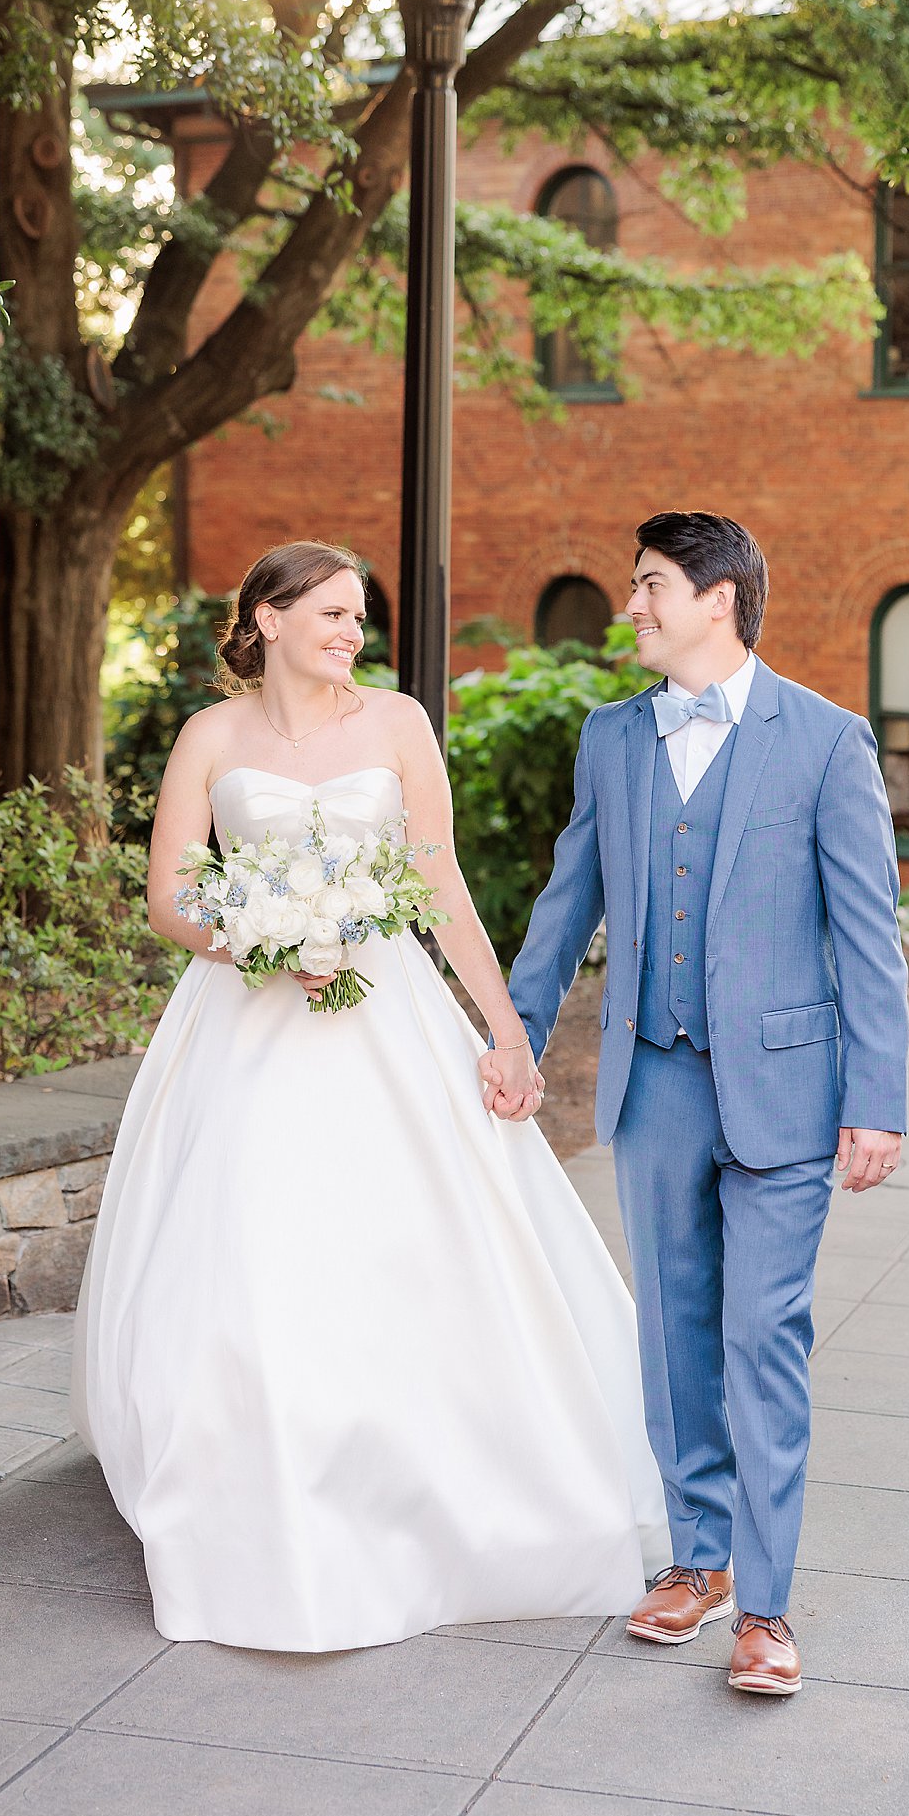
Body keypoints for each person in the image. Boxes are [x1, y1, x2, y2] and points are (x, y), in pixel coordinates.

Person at [72, 538, 669, 1651]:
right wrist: (253, 941)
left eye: (359, 617)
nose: (353, 632)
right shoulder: (210, 737)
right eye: (334, 613)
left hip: (383, 1015)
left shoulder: (398, 725)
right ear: (266, 616)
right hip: (245, 1022)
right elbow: (167, 899)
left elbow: (438, 883)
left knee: (410, 1245)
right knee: (248, 1253)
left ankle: (418, 1482)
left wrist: (504, 1030)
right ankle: (258, 1485)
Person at [482, 510, 909, 1695]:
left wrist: (877, 1101)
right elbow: (568, 900)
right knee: (672, 1338)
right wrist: (516, 1027)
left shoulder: (826, 741)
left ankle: (766, 1609)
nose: (632, 605)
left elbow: (868, 939)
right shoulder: (610, 739)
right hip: (655, 1078)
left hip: (785, 1085)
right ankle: (698, 1562)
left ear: (718, 598)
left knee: (762, 1337)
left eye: (650, 585)